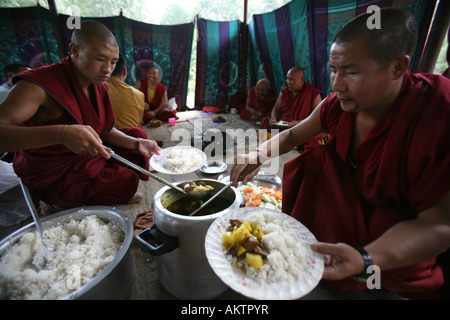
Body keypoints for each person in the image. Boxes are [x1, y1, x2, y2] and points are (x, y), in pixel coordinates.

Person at [230, 8, 450, 299]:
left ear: (397, 67)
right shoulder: (338, 104)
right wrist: (256, 154)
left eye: (351, 72)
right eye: (334, 70)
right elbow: (295, 134)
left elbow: (438, 223)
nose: (336, 84)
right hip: (333, 229)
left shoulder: (438, 113)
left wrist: (366, 259)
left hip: (390, 256)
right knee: (319, 160)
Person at [0, 20, 161, 215]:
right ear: (75, 50)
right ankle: (57, 204)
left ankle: (96, 185)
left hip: (86, 154)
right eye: (100, 59)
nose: (107, 69)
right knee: (126, 180)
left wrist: (137, 143)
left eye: (113, 62)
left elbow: (103, 130)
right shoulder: (39, 86)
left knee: (137, 135)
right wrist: (61, 134)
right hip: (57, 169)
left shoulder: (99, 85)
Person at [260, 66, 323, 152]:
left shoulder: (313, 93)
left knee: (310, 135)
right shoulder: (285, 92)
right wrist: (273, 117)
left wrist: (300, 122)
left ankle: (283, 140)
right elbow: (276, 108)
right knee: (265, 122)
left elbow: (318, 117)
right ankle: (285, 140)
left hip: (301, 127)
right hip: (284, 126)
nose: (288, 82)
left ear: (301, 79)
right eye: (287, 79)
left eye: (292, 80)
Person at [107, 54, 146, 128]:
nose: (151, 76)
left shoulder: (93, 90)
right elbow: (138, 123)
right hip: (132, 137)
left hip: (100, 137)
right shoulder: (139, 94)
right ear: (125, 71)